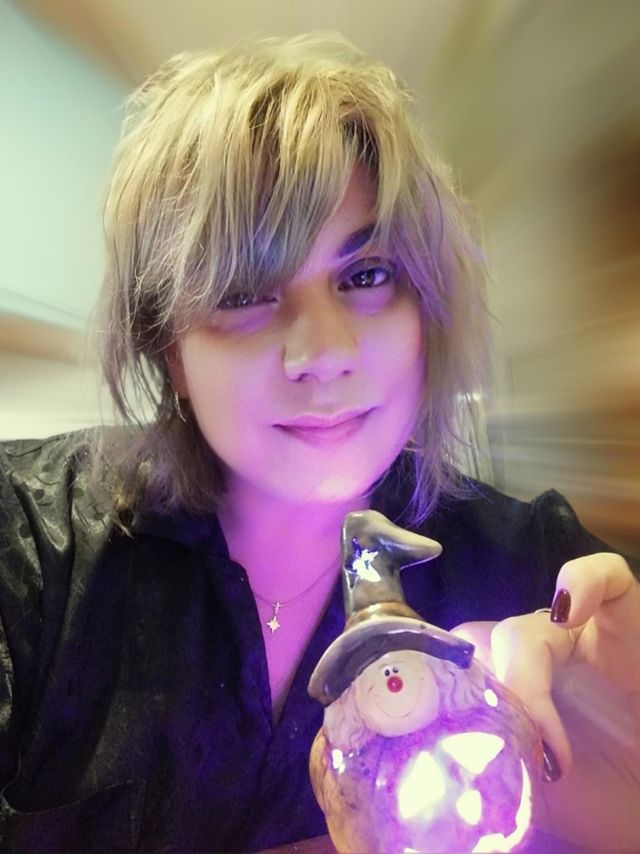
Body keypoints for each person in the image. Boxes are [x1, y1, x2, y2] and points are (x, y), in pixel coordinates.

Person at [0, 33, 638, 853]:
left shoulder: (534, 573)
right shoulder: (30, 554)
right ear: (169, 350)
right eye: (244, 292)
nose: (324, 352)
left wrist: (610, 776)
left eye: (365, 275)